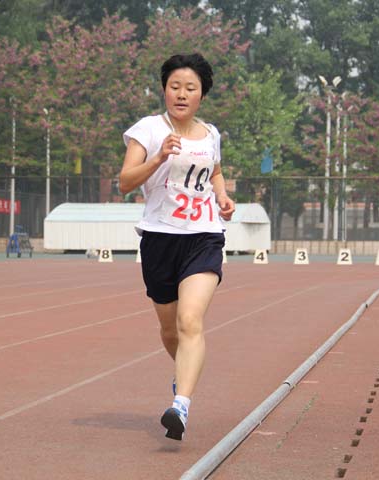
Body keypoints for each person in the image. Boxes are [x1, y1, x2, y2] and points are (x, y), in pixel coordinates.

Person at [119, 53, 235, 441]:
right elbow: (125, 181)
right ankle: (183, 372)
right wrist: (158, 158)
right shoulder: (149, 130)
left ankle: (180, 405)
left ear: (202, 94)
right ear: (164, 90)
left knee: (190, 321)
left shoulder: (211, 134)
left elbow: (215, 171)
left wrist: (222, 196)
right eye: (175, 87)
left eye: (190, 88)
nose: (181, 94)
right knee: (171, 330)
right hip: (159, 239)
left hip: (203, 237)